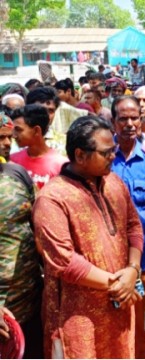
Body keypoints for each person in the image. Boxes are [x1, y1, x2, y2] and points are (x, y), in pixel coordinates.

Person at [33, 115, 143, 358]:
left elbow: (134, 227)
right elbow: (64, 261)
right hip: (77, 314)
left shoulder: (114, 182)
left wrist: (133, 270)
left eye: (113, 150)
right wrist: (117, 283)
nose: (113, 157)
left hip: (119, 304)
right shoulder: (52, 198)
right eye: (106, 153)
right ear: (80, 155)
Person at [110, 96, 145, 358]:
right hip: (107, 256)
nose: (130, 124)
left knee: (138, 319)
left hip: (142, 257)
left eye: (135, 118)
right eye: (123, 119)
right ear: (113, 122)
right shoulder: (104, 158)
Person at [0, 114, 44, 358]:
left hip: (30, 300)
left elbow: (36, 226)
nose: (7, 143)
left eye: (9, 137)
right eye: (1, 138)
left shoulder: (17, 174)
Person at [10, 104, 68, 189]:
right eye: (13, 130)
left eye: (18, 130)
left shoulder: (61, 165)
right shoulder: (12, 160)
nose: (13, 135)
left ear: (36, 130)